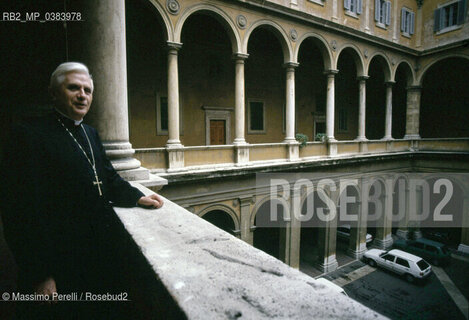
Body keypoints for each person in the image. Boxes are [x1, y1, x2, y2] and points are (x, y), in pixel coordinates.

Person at [0, 62, 164, 318]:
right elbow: (19, 212)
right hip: (57, 260)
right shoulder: (29, 135)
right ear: (54, 93)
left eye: (87, 90)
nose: (82, 95)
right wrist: (40, 274)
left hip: (95, 256)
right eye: (73, 88)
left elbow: (107, 179)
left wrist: (137, 196)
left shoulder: (90, 133)